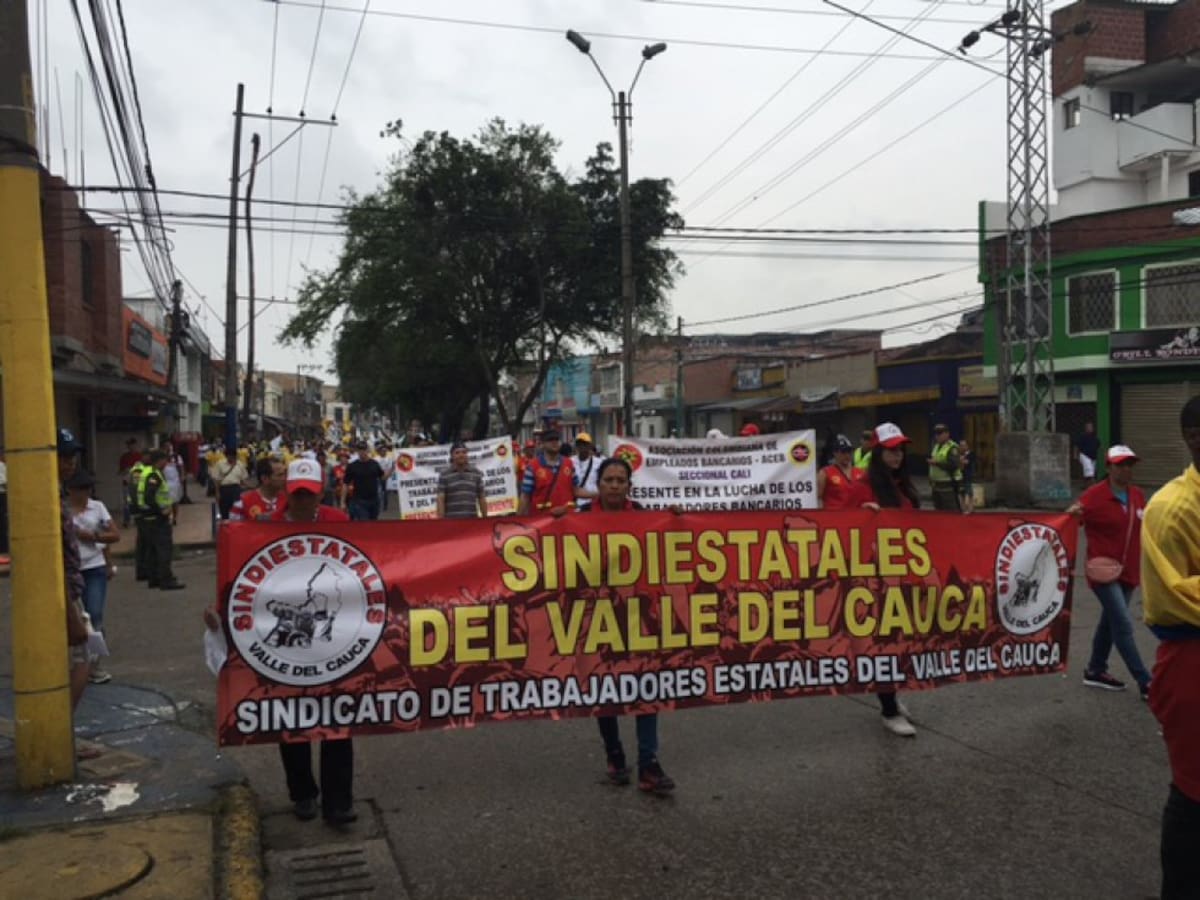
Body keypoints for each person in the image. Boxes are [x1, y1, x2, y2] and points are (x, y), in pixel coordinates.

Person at [270, 458, 357, 825]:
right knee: (292, 720)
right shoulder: (264, 528)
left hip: (334, 634)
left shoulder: (339, 522)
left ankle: (338, 802)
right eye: (297, 494)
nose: (303, 502)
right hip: (287, 633)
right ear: (287, 493)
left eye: (309, 494)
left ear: (321, 491)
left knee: (338, 718)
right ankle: (303, 793)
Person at [586, 456, 675, 795]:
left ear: (628, 485)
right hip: (595, 616)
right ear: (599, 483)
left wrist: (677, 520)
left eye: (620, 480)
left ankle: (649, 764)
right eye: (608, 479)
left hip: (637, 613)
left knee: (646, 687)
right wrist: (555, 522)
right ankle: (615, 756)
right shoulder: (581, 517)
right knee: (604, 690)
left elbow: (668, 539)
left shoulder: (644, 516)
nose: (614, 485)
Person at [1142, 395, 1200, 899]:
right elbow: (1177, 595)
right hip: (1192, 665)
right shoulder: (1169, 509)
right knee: (1195, 793)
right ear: (1192, 437)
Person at [1065, 444, 1151, 699]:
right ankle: (1146, 682)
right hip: (1102, 571)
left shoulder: (1137, 495)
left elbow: (1147, 528)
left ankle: (1095, 669)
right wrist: (1071, 514)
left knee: (1109, 622)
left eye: (1129, 465)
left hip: (1129, 571)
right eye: (1120, 465)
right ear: (1109, 467)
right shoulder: (1094, 496)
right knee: (1123, 624)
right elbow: (1069, 521)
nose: (1126, 470)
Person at [858, 422, 919, 737]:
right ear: (878, 451)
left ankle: (893, 694)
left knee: (902, 640)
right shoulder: (865, 484)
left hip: (907, 570)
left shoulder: (903, 484)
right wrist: (863, 513)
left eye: (900, 450)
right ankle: (888, 708)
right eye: (891, 450)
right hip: (878, 576)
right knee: (884, 641)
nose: (896, 456)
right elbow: (842, 525)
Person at [66, 469, 119, 684]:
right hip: (71, 569)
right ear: (71, 491)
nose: (86, 493)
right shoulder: (63, 510)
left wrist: (95, 538)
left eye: (89, 489)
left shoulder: (97, 508)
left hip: (94, 567)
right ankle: (77, 661)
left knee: (95, 614)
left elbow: (114, 535)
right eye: (82, 489)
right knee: (77, 618)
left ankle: (94, 666)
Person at [56, 428, 92, 712]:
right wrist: (70, 611)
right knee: (81, 660)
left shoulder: (56, 493)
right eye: (63, 456)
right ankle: (60, 732)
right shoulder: (46, 498)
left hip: (70, 589)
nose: (70, 463)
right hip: (63, 594)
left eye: (73, 457)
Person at [137, 449, 184, 591]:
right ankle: (166, 579)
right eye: (165, 460)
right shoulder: (154, 475)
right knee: (164, 549)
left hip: (146, 517)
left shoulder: (146, 472)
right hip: (157, 518)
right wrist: (161, 510)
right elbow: (149, 496)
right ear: (160, 460)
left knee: (152, 550)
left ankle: (154, 578)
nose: (167, 463)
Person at [517, 428, 583, 516]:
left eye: (557, 439)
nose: (554, 442)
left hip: (568, 520)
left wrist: (597, 494)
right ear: (542, 444)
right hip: (541, 522)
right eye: (550, 440)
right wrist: (518, 522)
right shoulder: (532, 467)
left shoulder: (569, 463)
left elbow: (577, 490)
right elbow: (525, 497)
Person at [437, 442, 486, 519]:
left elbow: (481, 497)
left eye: (464, 452)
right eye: (457, 453)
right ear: (452, 456)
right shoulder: (444, 475)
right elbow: (440, 499)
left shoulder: (476, 473)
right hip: (451, 522)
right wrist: (441, 522)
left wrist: (485, 518)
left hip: (472, 521)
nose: (461, 455)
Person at [230, 456, 288, 521]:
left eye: (285, 474)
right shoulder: (242, 503)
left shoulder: (291, 500)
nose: (285, 478)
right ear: (265, 479)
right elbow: (234, 528)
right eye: (280, 475)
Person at [818, 434, 864, 510]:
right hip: (834, 516)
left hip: (855, 516)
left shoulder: (860, 473)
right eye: (843, 452)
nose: (847, 455)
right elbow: (817, 498)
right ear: (835, 453)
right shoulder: (825, 473)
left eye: (849, 451)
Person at [344, 441, 385, 521]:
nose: (362, 452)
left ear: (367, 450)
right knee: (364, 523)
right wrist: (342, 501)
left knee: (373, 523)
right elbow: (345, 483)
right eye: (359, 450)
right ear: (357, 451)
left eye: (363, 449)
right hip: (359, 501)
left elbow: (382, 477)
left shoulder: (374, 464)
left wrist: (392, 469)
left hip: (374, 500)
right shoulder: (352, 466)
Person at [927, 423, 962, 511]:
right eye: (936, 434)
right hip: (936, 485)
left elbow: (954, 465)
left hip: (948, 485)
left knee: (950, 511)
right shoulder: (936, 446)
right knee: (939, 511)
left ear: (947, 434)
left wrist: (936, 463)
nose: (937, 436)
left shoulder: (952, 447)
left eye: (940, 433)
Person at [212, 447, 248, 520]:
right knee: (224, 511)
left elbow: (243, 479)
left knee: (236, 510)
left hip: (236, 489)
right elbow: (216, 480)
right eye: (229, 456)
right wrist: (217, 493)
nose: (230, 458)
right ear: (226, 456)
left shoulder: (240, 464)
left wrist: (248, 488)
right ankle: (225, 527)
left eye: (232, 456)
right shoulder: (220, 464)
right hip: (224, 489)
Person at [572, 432, 604, 511]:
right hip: (574, 505)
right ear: (576, 446)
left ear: (590, 445)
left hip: (593, 504)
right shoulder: (569, 462)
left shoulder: (599, 463)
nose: (582, 446)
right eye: (579, 444)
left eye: (585, 444)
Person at [117, 437, 140, 527]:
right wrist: (126, 470)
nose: (130, 446)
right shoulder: (124, 457)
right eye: (129, 445)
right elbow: (120, 471)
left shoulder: (139, 456)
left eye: (132, 445)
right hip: (126, 482)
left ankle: (137, 519)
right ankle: (127, 520)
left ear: (135, 445)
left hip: (137, 481)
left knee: (137, 501)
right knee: (126, 502)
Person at [1076, 421, 1100, 488]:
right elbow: (1077, 446)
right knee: (1090, 473)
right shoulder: (1082, 437)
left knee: (1089, 473)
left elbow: (1099, 446)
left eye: (1091, 427)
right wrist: (1076, 456)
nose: (1090, 428)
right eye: (1088, 427)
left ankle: (1085, 486)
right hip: (1085, 456)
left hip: (1093, 458)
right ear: (1085, 428)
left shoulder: (1095, 438)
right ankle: (1096, 488)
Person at [957, 439, 976, 515]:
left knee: (969, 493)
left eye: (963, 445)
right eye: (960, 445)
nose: (962, 447)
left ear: (967, 446)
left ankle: (970, 508)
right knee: (961, 493)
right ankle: (963, 508)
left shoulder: (971, 454)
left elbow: (966, 462)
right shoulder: (959, 455)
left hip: (967, 476)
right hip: (960, 476)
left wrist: (959, 460)